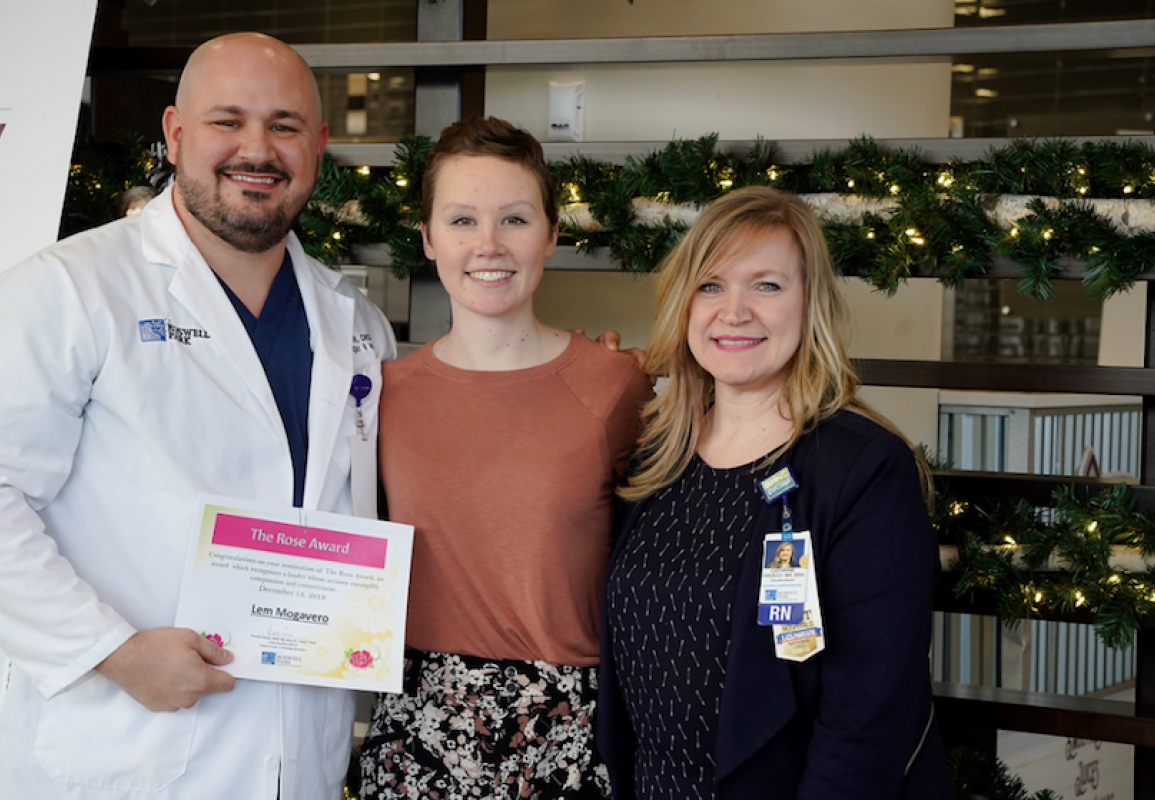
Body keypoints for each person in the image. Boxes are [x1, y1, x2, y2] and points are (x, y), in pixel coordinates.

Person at [0, 32, 395, 799]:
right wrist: (112, 651)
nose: (257, 148)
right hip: (114, 745)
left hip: (295, 753)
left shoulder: (355, 321)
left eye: (285, 125)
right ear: (175, 132)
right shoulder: (64, 291)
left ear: (319, 145)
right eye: (228, 120)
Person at [597, 186, 948, 800]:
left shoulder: (865, 469)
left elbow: (870, 717)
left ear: (809, 304)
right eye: (711, 285)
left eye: (766, 285)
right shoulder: (655, 456)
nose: (734, 312)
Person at [359, 116, 652, 800]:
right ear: (428, 237)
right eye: (462, 220)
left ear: (551, 234)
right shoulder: (382, 394)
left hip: (566, 731)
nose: (487, 245)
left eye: (514, 220)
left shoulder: (613, 385)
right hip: (419, 730)